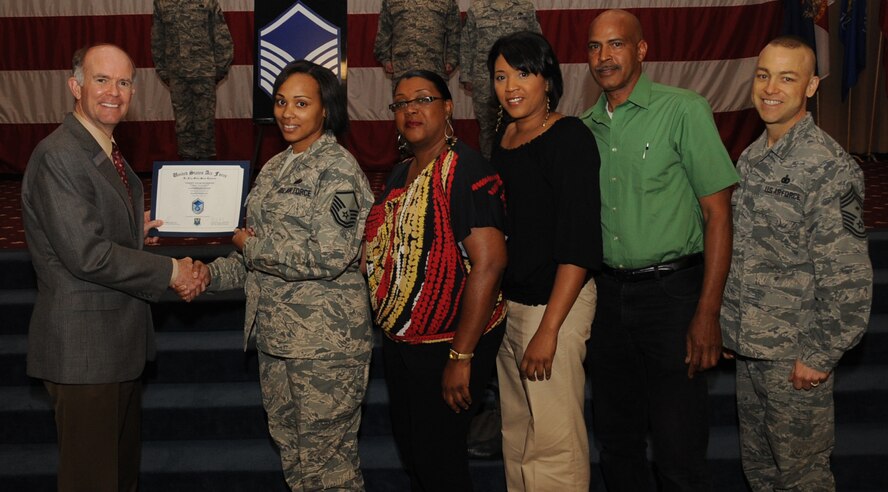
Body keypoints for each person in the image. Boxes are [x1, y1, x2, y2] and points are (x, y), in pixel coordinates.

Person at [21, 43, 200, 492]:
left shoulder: (100, 148)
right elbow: (88, 254)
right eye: (101, 80)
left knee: (118, 479)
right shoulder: (60, 154)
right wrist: (171, 272)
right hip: (84, 353)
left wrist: (133, 229)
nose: (113, 92)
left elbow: (88, 229)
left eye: (123, 82)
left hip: (114, 348)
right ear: (75, 86)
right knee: (92, 482)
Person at [191, 60, 374, 491]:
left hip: (325, 345)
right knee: (294, 457)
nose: (287, 113)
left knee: (329, 468)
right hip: (276, 340)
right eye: (280, 101)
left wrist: (250, 247)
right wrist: (205, 275)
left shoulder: (338, 170)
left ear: (325, 109)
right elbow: (253, 257)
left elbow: (330, 255)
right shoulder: (274, 168)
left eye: (301, 103)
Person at [579, 10, 739, 491]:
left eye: (616, 44)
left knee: (678, 450)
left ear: (641, 50)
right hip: (607, 299)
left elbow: (718, 215)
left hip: (673, 297)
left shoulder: (684, 110)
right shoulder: (584, 128)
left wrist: (708, 311)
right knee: (617, 442)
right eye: (594, 47)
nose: (604, 57)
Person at [721, 36, 873, 491]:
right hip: (753, 348)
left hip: (796, 356)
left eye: (787, 78)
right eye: (763, 75)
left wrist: (820, 354)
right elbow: (747, 252)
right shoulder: (753, 157)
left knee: (803, 477)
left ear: (810, 86)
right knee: (761, 472)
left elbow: (848, 275)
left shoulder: (828, 166)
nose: (771, 88)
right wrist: (732, 325)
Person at [363, 69, 507, 492]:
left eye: (423, 99)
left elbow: (490, 265)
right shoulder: (399, 174)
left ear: (448, 108)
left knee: (440, 464)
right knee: (414, 456)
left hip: (449, 345)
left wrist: (461, 357)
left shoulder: (465, 169)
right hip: (402, 343)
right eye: (401, 103)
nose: (411, 109)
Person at [488, 31, 601, 492]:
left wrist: (549, 330)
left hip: (554, 307)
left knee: (554, 446)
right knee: (517, 436)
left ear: (547, 79)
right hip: (511, 306)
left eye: (523, 73)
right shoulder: (505, 137)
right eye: (500, 76)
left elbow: (579, 243)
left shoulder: (569, 137)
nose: (511, 85)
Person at [151, 0, 234, 160]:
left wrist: (217, 70)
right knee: (182, 125)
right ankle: (187, 166)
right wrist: (163, 70)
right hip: (177, 74)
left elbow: (222, 36)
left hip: (204, 73)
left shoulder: (208, 1)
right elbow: (157, 39)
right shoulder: (161, 3)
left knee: (205, 124)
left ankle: (206, 166)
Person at [459, 0, 540, 159]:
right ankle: (489, 167)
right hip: (485, 81)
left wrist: (538, 74)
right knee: (488, 129)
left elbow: (536, 43)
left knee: (520, 124)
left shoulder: (525, 7)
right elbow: (467, 45)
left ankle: (518, 164)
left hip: (518, 81)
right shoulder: (476, 9)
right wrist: (467, 76)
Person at [373, 0, 461, 81]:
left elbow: (455, 33)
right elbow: (384, 32)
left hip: (435, 69)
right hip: (402, 68)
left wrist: (452, 60)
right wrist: (385, 59)